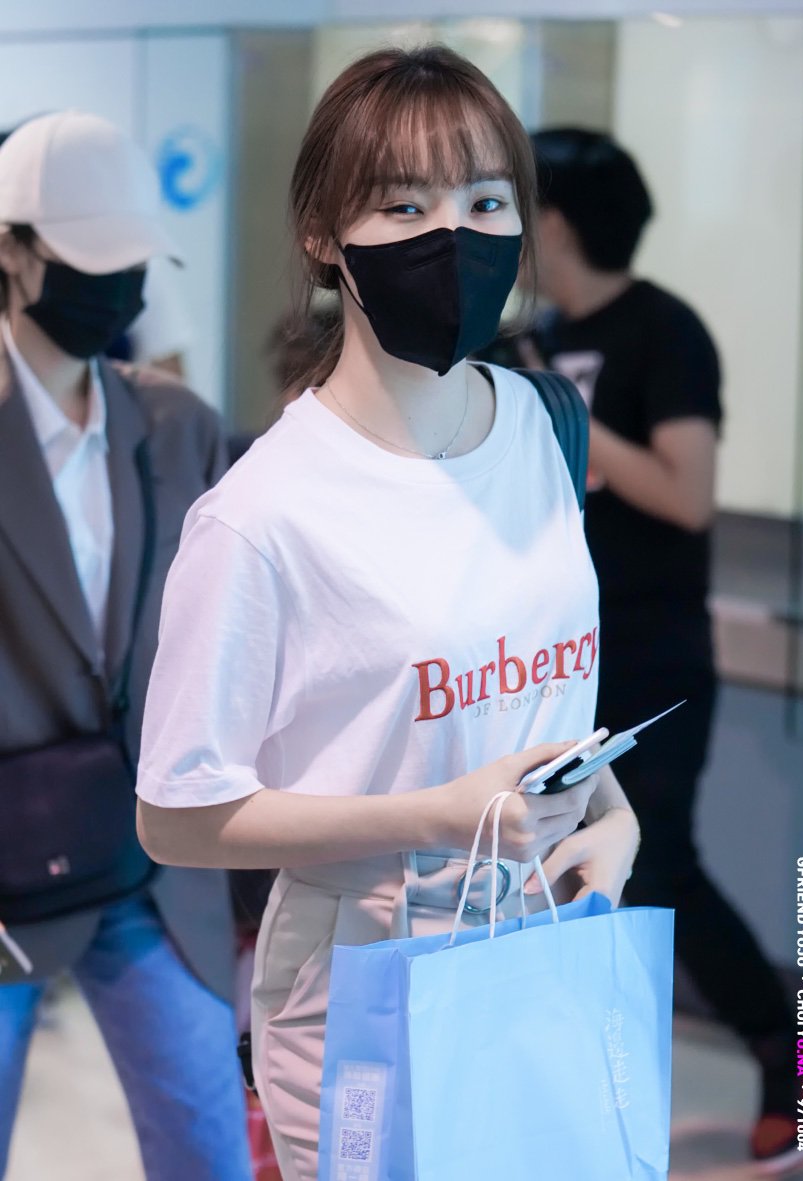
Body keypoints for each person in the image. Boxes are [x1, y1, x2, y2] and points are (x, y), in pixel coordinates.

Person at [135, 48, 641, 1181]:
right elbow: (175, 814)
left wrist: (608, 814)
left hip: (544, 934)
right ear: (323, 234)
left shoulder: (543, 424)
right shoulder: (261, 515)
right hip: (368, 961)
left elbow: (534, 679)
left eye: (486, 201)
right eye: (405, 206)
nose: (453, 236)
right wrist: (434, 816)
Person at [512, 126, 803, 1172]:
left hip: (654, 653)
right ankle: (589, 1087)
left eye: (514, 206)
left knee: (662, 863)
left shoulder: (663, 329)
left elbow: (686, 495)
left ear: (555, 221)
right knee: (566, 866)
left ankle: (789, 1052)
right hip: (564, 654)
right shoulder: (537, 332)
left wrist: (560, 403)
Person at [0, 111, 252, 1179]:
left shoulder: (174, 422)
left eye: (130, 264)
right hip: (7, 863)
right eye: (88, 260)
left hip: (150, 859)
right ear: (13, 252)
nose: (115, 288)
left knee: (207, 1142)